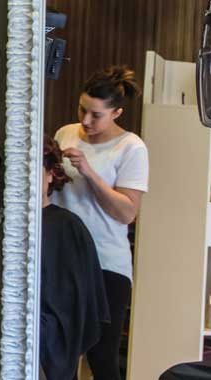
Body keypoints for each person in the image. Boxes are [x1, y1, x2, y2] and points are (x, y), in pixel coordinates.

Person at [52, 65, 149, 379]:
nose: (85, 120)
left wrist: (90, 173)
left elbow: (127, 213)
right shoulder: (65, 133)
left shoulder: (131, 148)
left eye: (96, 114)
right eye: (82, 109)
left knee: (102, 357)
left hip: (106, 263)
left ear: (117, 112)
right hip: (62, 257)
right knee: (58, 353)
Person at [40, 138, 109, 380]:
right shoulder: (4, 223)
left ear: (50, 175)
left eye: (35, 170)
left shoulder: (68, 227)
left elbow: (77, 301)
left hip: (54, 329)